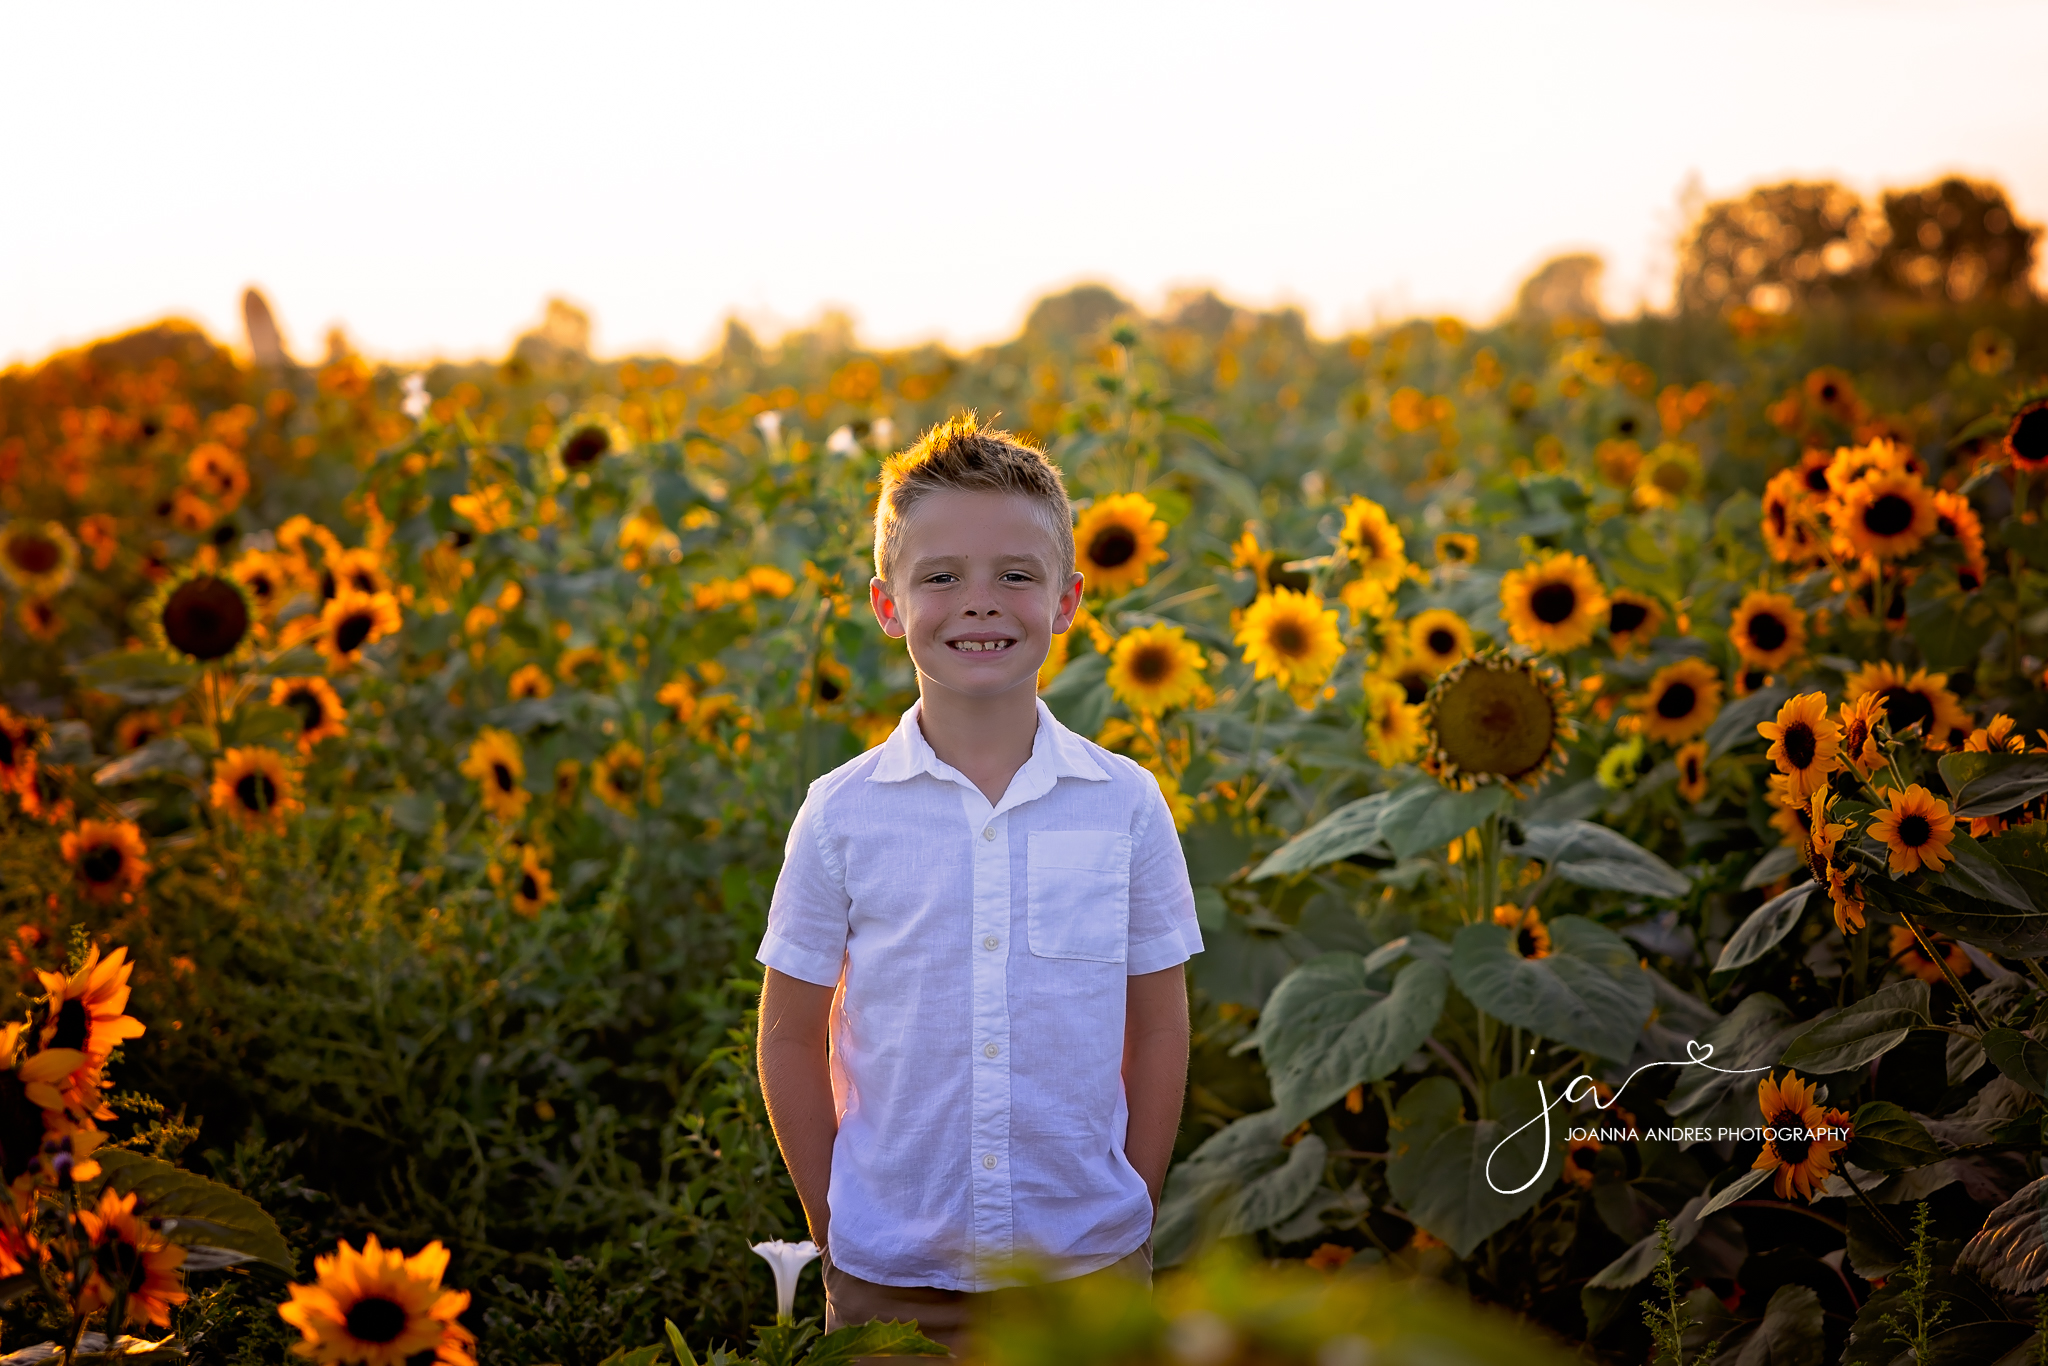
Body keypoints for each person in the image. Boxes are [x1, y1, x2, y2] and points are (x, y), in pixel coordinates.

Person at [755, 415, 1201, 1352]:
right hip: (891, 1275)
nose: (981, 603)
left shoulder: (1124, 804)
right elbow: (790, 1034)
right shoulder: (841, 815)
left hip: (1085, 1267)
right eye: (942, 576)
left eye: (1016, 575)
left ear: (1069, 599)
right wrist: (842, 1236)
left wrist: (1136, 1207)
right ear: (887, 604)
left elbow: (1157, 1020)